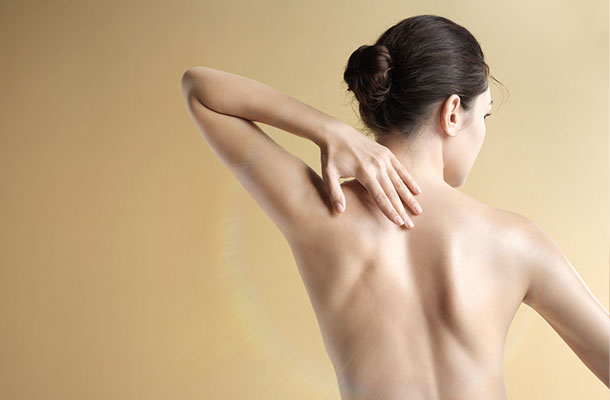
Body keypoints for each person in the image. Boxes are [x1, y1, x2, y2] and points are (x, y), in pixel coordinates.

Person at [180, 14, 609, 399]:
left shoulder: (321, 210)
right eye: (485, 115)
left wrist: (326, 129)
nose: (482, 131)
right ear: (453, 113)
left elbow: (199, 89)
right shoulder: (516, 242)